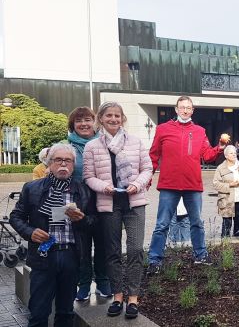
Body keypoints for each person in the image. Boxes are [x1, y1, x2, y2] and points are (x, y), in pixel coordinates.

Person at [10, 143, 96, 327]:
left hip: (71, 255)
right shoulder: (32, 188)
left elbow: (93, 223)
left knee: (66, 313)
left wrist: (81, 219)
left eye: (68, 161)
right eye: (58, 160)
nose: (63, 164)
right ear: (49, 163)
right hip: (43, 255)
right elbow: (16, 217)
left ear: (73, 165)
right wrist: (30, 232)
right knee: (39, 313)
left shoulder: (83, 190)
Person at [83, 102, 153, 318]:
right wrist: (104, 187)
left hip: (134, 203)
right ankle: (118, 295)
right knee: (112, 253)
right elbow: (88, 176)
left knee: (134, 250)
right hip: (108, 203)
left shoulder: (136, 142)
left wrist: (138, 184)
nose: (113, 119)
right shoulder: (92, 146)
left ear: (122, 119)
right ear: (101, 119)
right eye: (109, 115)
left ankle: (133, 298)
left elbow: (147, 168)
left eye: (117, 115)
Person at [147, 96, 225, 273]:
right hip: (169, 185)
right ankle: (154, 260)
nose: (185, 110)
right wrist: (148, 178)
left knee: (196, 222)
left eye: (188, 108)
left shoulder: (199, 131)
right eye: (182, 107)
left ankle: (201, 255)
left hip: (192, 185)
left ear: (192, 110)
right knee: (162, 224)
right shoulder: (162, 129)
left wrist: (219, 147)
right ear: (176, 109)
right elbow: (153, 156)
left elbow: (207, 155)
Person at [67, 106, 111, 302]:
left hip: (102, 199)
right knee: (81, 247)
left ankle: (102, 280)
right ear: (73, 125)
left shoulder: (106, 143)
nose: (83, 124)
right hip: (78, 204)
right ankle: (83, 283)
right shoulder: (66, 146)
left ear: (95, 122)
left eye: (87, 119)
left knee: (103, 244)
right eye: (79, 121)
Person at [213, 145, 239, 237]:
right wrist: (229, 185)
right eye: (231, 153)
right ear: (226, 156)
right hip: (227, 200)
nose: (234, 155)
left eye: (235, 153)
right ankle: (225, 246)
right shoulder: (221, 168)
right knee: (226, 225)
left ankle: (238, 247)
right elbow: (215, 184)